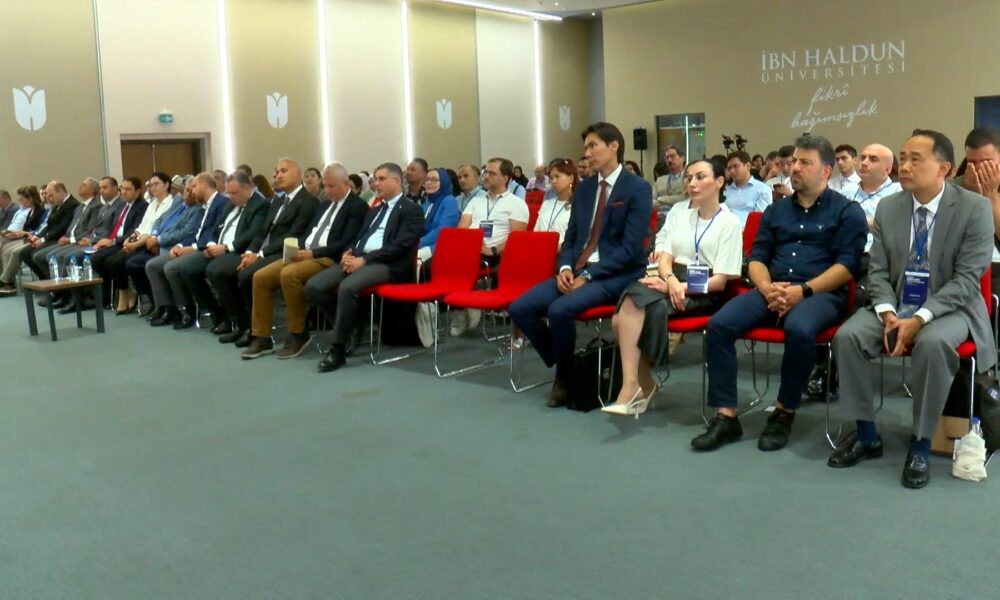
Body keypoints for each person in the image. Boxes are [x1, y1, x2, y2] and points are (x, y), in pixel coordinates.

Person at [829, 130, 995, 489]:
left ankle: (920, 444)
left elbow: (967, 280)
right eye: (902, 158)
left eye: (914, 160)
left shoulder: (974, 208)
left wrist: (919, 318)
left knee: (933, 344)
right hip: (895, 302)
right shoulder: (890, 207)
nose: (903, 167)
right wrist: (888, 313)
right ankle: (866, 434)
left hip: (952, 308)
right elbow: (877, 270)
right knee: (848, 337)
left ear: (944, 168)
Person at [691, 134, 866, 452]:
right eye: (794, 161)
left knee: (798, 329)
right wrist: (767, 288)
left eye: (804, 162)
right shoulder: (776, 211)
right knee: (719, 325)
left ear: (825, 171)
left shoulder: (846, 211)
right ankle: (725, 416)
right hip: (771, 289)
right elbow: (757, 258)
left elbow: (847, 267)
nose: (794, 167)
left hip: (821, 293)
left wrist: (804, 290)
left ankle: (784, 412)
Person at [509, 122, 653, 407]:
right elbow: (572, 237)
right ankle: (568, 362)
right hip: (577, 268)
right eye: (585, 147)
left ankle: (563, 378)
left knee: (559, 310)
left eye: (592, 146)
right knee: (520, 308)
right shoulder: (586, 189)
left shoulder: (637, 188)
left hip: (615, 273)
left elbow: (630, 249)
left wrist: (588, 274)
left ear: (613, 146)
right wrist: (565, 267)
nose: (586, 153)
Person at [605, 157, 742, 417]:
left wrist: (678, 287)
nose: (692, 183)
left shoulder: (729, 222)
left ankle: (635, 386)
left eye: (700, 177)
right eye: (689, 178)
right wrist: (669, 281)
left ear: (719, 182)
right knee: (622, 315)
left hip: (705, 289)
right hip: (672, 279)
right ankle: (639, 384)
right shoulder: (682, 214)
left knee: (626, 315)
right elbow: (665, 256)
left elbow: (719, 281)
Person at [306, 162, 425, 373]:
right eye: (375, 179)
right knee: (314, 287)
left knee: (347, 287)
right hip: (360, 259)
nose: (376, 183)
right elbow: (359, 238)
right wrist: (349, 252)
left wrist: (364, 260)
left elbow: (400, 246)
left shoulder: (411, 210)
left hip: (388, 264)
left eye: (381, 179)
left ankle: (338, 349)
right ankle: (350, 324)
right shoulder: (374, 210)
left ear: (397, 181)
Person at [241, 163, 368, 359]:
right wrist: (296, 248)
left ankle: (298, 333)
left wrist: (312, 253)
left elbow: (344, 243)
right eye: (325, 186)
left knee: (289, 274)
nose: (327, 190)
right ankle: (262, 336)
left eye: (331, 186)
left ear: (346, 183)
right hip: (305, 253)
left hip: (327, 258)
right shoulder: (324, 205)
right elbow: (308, 233)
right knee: (261, 277)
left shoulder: (357, 206)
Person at [208, 158, 318, 344]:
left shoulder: (308, 201)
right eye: (277, 171)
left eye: (284, 171)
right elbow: (262, 231)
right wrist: (251, 251)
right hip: (265, 250)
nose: (278, 175)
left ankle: (254, 329)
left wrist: (259, 255)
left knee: (246, 275)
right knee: (228, 271)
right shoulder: (277, 200)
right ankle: (242, 323)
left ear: (298, 174)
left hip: (284, 252)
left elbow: (292, 235)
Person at [158, 171, 268, 332]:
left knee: (215, 270)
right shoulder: (230, 204)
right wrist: (211, 245)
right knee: (189, 269)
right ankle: (218, 313)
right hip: (217, 248)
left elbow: (251, 233)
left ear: (247, 187)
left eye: (234, 193)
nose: (230, 197)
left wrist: (226, 248)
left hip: (238, 250)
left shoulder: (260, 204)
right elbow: (216, 228)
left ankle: (235, 320)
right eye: (229, 193)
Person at [451, 157, 530, 337]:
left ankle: (465, 304)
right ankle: (464, 304)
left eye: (492, 173)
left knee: (461, 265)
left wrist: (493, 249)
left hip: (495, 253)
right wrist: (473, 241)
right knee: (433, 265)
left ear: (506, 178)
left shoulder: (516, 204)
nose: (485, 176)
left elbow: (517, 239)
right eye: (485, 172)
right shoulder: (476, 201)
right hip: (471, 248)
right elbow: (462, 227)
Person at [144, 172, 229, 326]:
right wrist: (182, 246)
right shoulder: (203, 205)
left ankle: (195, 311)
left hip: (209, 248)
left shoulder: (219, 203)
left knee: (174, 268)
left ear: (203, 185)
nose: (190, 192)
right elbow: (197, 233)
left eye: (193, 187)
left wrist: (192, 247)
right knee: (155, 265)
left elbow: (212, 233)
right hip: (196, 246)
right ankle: (173, 309)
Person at [98, 171, 176, 314]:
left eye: (156, 184)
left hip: (153, 244)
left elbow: (157, 230)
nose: (152, 187)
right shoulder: (152, 204)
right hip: (140, 240)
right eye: (151, 185)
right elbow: (141, 227)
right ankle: (133, 295)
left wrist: (135, 244)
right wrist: (129, 240)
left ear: (166, 185)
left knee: (131, 263)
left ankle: (152, 300)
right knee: (112, 260)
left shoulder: (171, 204)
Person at [125, 177, 204, 314]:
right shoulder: (180, 205)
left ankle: (175, 308)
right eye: (184, 190)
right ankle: (162, 306)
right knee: (138, 263)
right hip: (159, 242)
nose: (185, 194)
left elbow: (185, 233)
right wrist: (155, 236)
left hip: (172, 245)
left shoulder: (197, 209)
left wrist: (159, 240)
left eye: (189, 191)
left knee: (153, 265)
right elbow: (159, 220)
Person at [87, 177, 149, 307]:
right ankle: (113, 292)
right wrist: (105, 240)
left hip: (127, 242)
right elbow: (114, 226)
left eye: (128, 189)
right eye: (122, 189)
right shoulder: (123, 206)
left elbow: (135, 230)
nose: (123, 192)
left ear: (137, 191)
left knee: (113, 261)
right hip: (115, 241)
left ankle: (124, 291)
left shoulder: (142, 206)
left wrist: (114, 240)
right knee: (96, 258)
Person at [954, 127, 1000, 297]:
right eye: (973, 162)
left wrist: (991, 195)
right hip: (963, 266)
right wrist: (970, 196)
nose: (979, 168)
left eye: (987, 161)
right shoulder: (954, 187)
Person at [19, 181, 79, 285]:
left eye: (51, 195)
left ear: (60, 191)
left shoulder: (72, 205)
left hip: (59, 238)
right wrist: (38, 237)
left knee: (35, 254)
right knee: (24, 253)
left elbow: (62, 228)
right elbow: (48, 225)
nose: (49, 199)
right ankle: (45, 281)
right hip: (52, 237)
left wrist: (43, 240)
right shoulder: (57, 205)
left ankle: (53, 284)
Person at [0, 186, 46, 295]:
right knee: (6, 250)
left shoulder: (40, 211)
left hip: (33, 238)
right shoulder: (27, 211)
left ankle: (4, 281)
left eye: (22, 199)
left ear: (31, 199)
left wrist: (24, 233)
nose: (20, 202)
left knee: (15, 252)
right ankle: (8, 283)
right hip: (26, 237)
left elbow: (39, 229)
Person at [416, 167, 460, 262]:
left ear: (444, 182)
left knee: (409, 257)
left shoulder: (449, 201)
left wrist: (417, 243)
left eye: (434, 180)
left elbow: (442, 231)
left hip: (439, 245)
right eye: (427, 179)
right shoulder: (426, 204)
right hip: (423, 243)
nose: (429, 183)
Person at [533, 158, 576, 243]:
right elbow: (535, 232)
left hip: (563, 250)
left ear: (571, 178)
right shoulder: (546, 204)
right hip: (540, 248)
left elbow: (576, 241)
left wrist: (552, 247)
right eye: (551, 178)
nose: (553, 181)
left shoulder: (578, 206)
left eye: (557, 176)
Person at [724, 151, 772, 226]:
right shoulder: (725, 190)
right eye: (729, 168)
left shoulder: (763, 189)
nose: (732, 171)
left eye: (736, 166)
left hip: (749, 231)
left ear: (748, 166)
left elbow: (759, 220)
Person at [653, 146, 686, 216]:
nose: (669, 160)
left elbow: (683, 198)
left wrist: (660, 199)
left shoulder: (688, 178)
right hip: (661, 218)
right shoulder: (660, 180)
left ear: (682, 158)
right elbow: (651, 201)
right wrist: (664, 207)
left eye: (672, 156)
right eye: (667, 157)